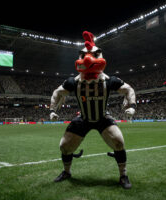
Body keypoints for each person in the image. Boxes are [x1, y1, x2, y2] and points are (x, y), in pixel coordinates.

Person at [49, 31, 136, 189]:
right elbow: (57, 93)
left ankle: (123, 175)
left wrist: (132, 106)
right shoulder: (73, 82)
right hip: (83, 118)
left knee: (118, 142)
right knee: (64, 147)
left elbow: (129, 89)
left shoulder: (109, 81)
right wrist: (52, 110)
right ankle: (66, 172)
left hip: (102, 117)